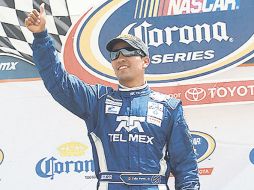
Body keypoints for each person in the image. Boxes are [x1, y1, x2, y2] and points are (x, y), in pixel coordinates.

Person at [25, 3, 200, 190]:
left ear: (145, 61)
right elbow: (58, 81)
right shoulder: (97, 101)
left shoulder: (169, 107)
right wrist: (41, 37)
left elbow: (186, 166)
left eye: (129, 51)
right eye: (115, 54)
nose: (120, 57)